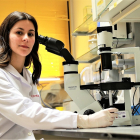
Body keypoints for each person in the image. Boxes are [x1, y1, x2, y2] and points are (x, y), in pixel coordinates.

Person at [0, 11, 118, 140]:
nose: (26, 38)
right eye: (19, 32)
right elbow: (27, 114)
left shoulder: (26, 74)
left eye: (31, 34)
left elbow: (34, 119)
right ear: (5, 36)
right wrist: (85, 121)